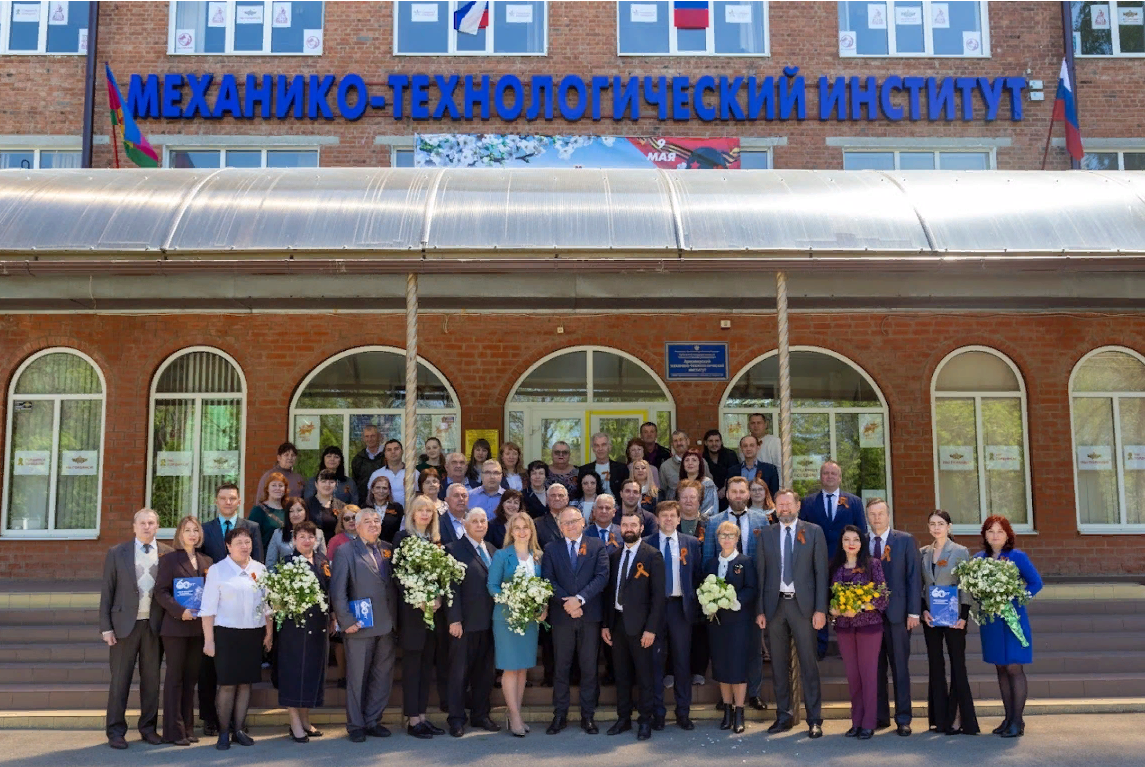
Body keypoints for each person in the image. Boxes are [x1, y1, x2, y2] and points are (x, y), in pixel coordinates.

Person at [754, 489, 828, 739]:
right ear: (774, 507)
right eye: (779, 505)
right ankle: (784, 716)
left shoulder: (814, 531)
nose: (784, 509)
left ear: (797, 505)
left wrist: (820, 609)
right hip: (775, 607)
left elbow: (821, 573)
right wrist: (761, 610)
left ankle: (814, 719)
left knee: (809, 664)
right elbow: (761, 574)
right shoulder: (766, 534)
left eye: (788, 504)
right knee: (778, 665)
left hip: (803, 606)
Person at [100, 508, 172, 750]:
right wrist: (106, 628)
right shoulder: (116, 553)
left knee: (151, 681)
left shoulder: (167, 554)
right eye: (142, 523)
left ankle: (148, 728)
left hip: (154, 626)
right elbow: (107, 592)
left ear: (158, 527)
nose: (147, 527)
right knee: (120, 680)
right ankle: (116, 731)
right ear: (133, 526)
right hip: (123, 626)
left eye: (151, 523)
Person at [200, 526, 273, 750]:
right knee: (227, 685)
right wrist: (209, 640)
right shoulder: (217, 570)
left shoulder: (260, 569)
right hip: (226, 635)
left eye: (247, 542)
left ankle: (239, 729)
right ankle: (223, 732)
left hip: (253, 633)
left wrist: (269, 633)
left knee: (245, 684)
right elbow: (208, 609)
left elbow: (268, 605)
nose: (244, 546)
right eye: (239, 542)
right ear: (228, 546)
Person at [198, 483, 262, 736]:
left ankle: (239, 727)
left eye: (232, 498)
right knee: (214, 677)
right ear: (216, 501)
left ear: (238, 501)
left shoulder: (252, 529)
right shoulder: (206, 529)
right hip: (220, 612)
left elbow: (259, 564)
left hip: (248, 622)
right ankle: (213, 721)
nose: (227, 502)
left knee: (243, 681)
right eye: (223, 498)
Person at [331, 508, 398, 743]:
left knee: (382, 676)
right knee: (357, 677)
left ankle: (372, 721)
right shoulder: (345, 551)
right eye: (367, 521)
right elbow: (338, 590)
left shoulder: (388, 548)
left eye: (376, 521)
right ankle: (356, 724)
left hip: (387, 623)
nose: (373, 524)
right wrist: (345, 620)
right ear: (356, 526)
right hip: (359, 625)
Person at [541, 507, 610, 735]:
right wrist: (567, 603)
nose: (570, 526)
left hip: (589, 616)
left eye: (574, 521)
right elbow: (548, 579)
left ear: (583, 522)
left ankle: (587, 715)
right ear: (560, 527)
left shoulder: (597, 545)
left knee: (589, 667)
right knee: (561, 667)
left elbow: (602, 576)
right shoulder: (551, 548)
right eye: (565, 523)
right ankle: (560, 715)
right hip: (562, 617)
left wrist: (579, 600)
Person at [702, 476, 769, 710]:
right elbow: (707, 559)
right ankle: (726, 696)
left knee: (753, 646)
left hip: (754, 591)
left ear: (748, 494)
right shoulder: (714, 522)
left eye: (742, 491)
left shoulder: (762, 520)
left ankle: (754, 693)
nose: (738, 495)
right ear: (727, 494)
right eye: (734, 491)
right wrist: (713, 595)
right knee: (725, 647)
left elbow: (766, 556)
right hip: (721, 598)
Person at [976, 515, 1043, 739]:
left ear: (1007, 535)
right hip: (992, 622)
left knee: (1014, 667)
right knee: (1001, 668)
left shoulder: (1017, 557)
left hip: (1013, 619)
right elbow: (974, 588)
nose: (995, 535)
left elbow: (1036, 582)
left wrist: (1018, 598)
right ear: (985, 534)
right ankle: (1007, 718)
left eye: (1000, 531)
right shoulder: (979, 559)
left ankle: (1017, 720)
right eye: (991, 531)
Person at [603, 509, 666, 741]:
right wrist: (606, 625)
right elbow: (610, 593)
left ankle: (645, 720)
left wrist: (651, 629)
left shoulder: (652, 555)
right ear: (620, 528)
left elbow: (659, 597)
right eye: (625, 525)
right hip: (618, 625)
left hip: (642, 628)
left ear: (641, 528)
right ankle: (623, 719)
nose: (628, 529)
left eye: (633, 525)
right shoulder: (615, 556)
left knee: (644, 676)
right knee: (621, 675)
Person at [154, 516, 214, 746]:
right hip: (176, 627)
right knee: (174, 679)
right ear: (179, 534)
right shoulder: (169, 559)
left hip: (198, 628)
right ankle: (173, 731)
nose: (192, 534)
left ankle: (188, 729)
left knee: (191, 680)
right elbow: (161, 592)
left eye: (196, 530)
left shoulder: (206, 560)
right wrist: (180, 611)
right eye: (187, 530)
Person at [865, 497, 921, 736]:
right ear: (867, 517)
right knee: (875, 669)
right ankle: (880, 717)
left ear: (889, 516)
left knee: (899, 667)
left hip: (898, 615)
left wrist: (913, 611)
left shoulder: (905, 541)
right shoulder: (862, 541)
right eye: (872, 514)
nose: (877, 518)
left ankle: (903, 718)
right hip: (870, 616)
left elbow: (913, 577)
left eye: (881, 513)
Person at [799, 460, 866, 657]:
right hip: (816, 562)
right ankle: (820, 648)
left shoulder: (853, 502)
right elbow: (801, 534)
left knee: (844, 603)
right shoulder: (809, 502)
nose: (829, 476)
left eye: (833, 473)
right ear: (821, 476)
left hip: (845, 562)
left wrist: (859, 561)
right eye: (826, 473)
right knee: (819, 603)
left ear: (840, 477)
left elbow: (861, 532)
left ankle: (847, 647)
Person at [921, 510, 979, 735]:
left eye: (941, 524)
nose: (936, 528)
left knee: (957, 665)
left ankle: (958, 718)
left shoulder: (960, 551)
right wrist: (923, 610)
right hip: (932, 618)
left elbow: (966, 585)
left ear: (949, 527)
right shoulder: (923, 553)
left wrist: (963, 616)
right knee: (936, 666)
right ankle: (938, 719)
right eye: (932, 524)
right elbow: (921, 585)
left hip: (954, 617)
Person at [488, 512, 547, 737]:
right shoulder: (502, 556)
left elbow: (543, 586)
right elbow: (492, 586)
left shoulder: (538, 556)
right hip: (506, 618)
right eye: (517, 528)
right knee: (510, 668)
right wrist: (511, 599)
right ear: (510, 532)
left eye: (526, 527)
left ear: (531, 530)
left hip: (530, 621)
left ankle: (516, 713)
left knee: (522, 668)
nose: (522, 531)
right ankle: (514, 717)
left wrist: (543, 607)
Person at [392, 495, 446, 739]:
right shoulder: (402, 538)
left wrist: (438, 599)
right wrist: (418, 599)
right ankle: (413, 719)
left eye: (429, 510)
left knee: (427, 665)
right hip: (412, 613)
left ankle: (422, 716)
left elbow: (442, 576)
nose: (425, 514)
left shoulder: (436, 540)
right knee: (413, 666)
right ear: (412, 514)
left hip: (433, 612)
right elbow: (398, 576)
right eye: (420, 510)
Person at [444, 509, 502, 737]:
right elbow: (451, 588)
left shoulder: (492, 550)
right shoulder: (453, 550)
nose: (480, 524)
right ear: (465, 525)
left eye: (483, 521)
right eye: (475, 521)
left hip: (490, 623)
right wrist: (454, 619)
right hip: (464, 624)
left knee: (485, 674)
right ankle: (456, 719)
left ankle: (480, 715)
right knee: (459, 674)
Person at [829, 524, 889, 740]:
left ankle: (869, 723)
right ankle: (856, 721)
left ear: (862, 543)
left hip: (869, 627)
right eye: (847, 540)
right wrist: (833, 609)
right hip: (844, 628)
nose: (851, 543)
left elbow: (882, 598)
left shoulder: (872, 565)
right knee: (853, 677)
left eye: (855, 539)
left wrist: (860, 607)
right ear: (842, 543)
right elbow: (831, 601)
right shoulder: (836, 567)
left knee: (868, 675)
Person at [646, 501, 701, 730]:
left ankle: (683, 712)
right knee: (655, 663)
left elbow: (697, 575)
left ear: (679, 520)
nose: (668, 519)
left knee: (681, 662)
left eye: (672, 516)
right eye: (664, 515)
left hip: (680, 609)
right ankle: (658, 713)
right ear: (657, 519)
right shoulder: (647, 544)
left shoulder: (691, 543)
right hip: (655, 610)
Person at [276, 520, 331, 743]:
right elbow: (279, 597)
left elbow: (331, 590)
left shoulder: (323, 561)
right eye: (302, 537)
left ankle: (306, 720)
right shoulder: (288, 563)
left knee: (312, 673)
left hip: (320, 625)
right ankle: (295, 723)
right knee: (294, 672)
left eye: (311, 537)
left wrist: (334, 615)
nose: (307, 541)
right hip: (295, 627)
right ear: (294, 540)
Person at [704, 520, 758, 734]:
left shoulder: (745, 562)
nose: (726, 539)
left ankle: (739, 712)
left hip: (738, 622)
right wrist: (707, 603)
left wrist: (737, 600)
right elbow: (703, 587)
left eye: (731, 535)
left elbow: (752, 588)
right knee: (721, 666)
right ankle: (726, 711)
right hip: (716, 622)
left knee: (737, 666)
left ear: (737, 539)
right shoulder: (710, 564)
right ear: (717, 539)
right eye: (723, 535)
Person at [266, 498, 327, 570]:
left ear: (306, 512)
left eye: (299, 510)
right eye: (291, 511)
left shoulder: (318, 533)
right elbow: (270, 563)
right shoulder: (278, 534)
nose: (295, 514)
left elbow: (323, 561)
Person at [248, 472, 288, 555]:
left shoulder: (289, 510)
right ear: (267, 489)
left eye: (280, 485)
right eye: (274, 485)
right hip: (264, 558)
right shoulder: (258, 511)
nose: (277, 488)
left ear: (285, 489)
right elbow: (249, 537)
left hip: (286, 559)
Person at [579, 432, 629, 498]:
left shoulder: (621, 468)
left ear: (610, 447)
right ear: (593, 449)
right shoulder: (584, 470)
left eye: (604, 445)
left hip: (616, 506)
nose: (600, 449)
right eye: (596, 445)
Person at [732, 435, 780, 500]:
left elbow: (774, 495)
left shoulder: (770, 469)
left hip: (763, 509)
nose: (748, 449)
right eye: (745, 446)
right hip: (739, 508)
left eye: (752, 445)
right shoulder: (732, 471)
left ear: (758, 447)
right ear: (741, 449)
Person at [701, 430, 739, 509]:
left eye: (717, 441)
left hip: (730, 496)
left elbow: (735, 475)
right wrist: (715, 493)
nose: (714, 444)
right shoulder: (702, 458)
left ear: (721, 442)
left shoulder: (730, 455)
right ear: (705, 443)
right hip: (709, 497)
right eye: (711, 441)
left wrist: (725, 489)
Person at [307, 469, 346, 544]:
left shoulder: (341, 506)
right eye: (323, 481)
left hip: (336, 547)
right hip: (312, 547)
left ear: (336, 485)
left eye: (331, 482)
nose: (327, 485)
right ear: (316, 484)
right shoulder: (306, 504)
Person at [351, 425, 387, 504]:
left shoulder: (387, 456)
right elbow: (355, 484)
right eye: (367, 436)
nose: (370, 439)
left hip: (385, 502)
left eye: (373, 436)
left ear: (379, 437)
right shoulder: (358, 459)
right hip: (363, 503)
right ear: (363, 439)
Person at [367, 439, 406, 508]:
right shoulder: (376, 474)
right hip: (384, 516)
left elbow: (419, 495)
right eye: (389, 450)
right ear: (385, 454)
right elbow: (370, 498)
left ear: (402, 451)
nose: (393, 452)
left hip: (408, 515)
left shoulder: (413, 473)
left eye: (396, 449)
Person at [366, 474, 405, 541]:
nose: (381, 491)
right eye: (378, 487)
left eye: (384, 488)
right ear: (372, 490)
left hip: (391, 547)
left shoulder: (397, 508)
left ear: (389, 491)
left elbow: (401, 529)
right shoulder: (364, 507)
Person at [679, 449, 718, 516]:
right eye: (687, 460)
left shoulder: (707, 483)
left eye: (694, 460)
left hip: (703, 523)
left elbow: (709, 510)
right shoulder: (681, 483)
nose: (690, 463)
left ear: (700, 464)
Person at [535, 483, 569, 550]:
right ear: (547, 499)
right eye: (553, 495)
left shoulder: (577, 520)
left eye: (561, 495)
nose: (557, 498)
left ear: (567, 500)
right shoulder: (537, 524)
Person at [659, 430, 690, 501]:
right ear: (672, 444)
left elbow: (708, 487)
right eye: (675, 441)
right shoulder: (665, 466)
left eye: (681, 440)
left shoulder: (701, 462)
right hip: (674, 509)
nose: (678, 443)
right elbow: (662, 491)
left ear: (688, 441)